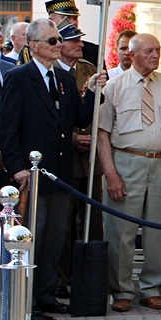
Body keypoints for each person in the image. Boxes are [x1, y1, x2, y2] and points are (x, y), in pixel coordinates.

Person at [0, 18, 105, 320]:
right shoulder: (19, 77)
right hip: (33, 174)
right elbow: (8, 129)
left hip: (59, 173)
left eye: (59, 40)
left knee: (55, 238)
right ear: (34, 46)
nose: (59, 45)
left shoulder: (63, 78)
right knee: (35, 236)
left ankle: (45, 294)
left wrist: (94, 92)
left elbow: (78, 116)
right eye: (53, 41)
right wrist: (18, 168)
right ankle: (27, 298)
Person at [97, 33, 161, 312]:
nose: (155, 55)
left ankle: (151, 288)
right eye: (148, 51)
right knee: (121, 231)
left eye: (158, 50)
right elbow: (102, 135)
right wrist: (111, 174)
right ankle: (121, 291)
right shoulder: (114, 86)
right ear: (131, 54)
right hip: (126, 162)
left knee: (159, 230)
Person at [53, 20, 100, 297]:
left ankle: (87, 277)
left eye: (80, 39)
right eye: (73, 40)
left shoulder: (88, 70)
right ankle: (61, 280)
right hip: (65, 154)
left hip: (89, 155)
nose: (80, 44)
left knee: (90, 219)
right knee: (65, 222)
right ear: (59, 46)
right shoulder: (54, 73)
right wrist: (72, 138)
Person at [45, 0, 99, 66]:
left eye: (75, 18)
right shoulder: (40, 50)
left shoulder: (91, 52)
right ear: (51, 21)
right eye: (67, 18)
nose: (74, 22)